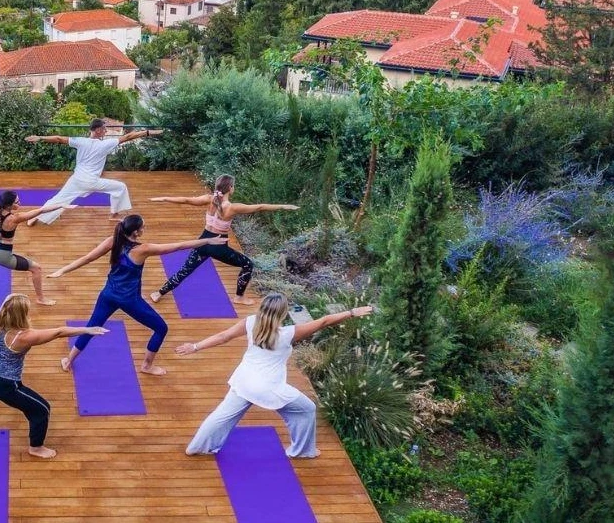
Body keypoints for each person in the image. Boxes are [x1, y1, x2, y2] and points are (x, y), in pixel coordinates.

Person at [176, 293, 374, 458]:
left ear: (261, 309)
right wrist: (351, 312)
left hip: (243, 380)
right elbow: (323, 321)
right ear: (282, 313)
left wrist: (194, 346)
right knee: (307, 409)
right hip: (269, 388)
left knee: (221, 416)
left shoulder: (250, 323)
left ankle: (196, 447)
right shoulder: (288, 333)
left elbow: (223, 337)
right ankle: (303, 451)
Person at [0, 294, 109, 459]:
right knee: (41, 410)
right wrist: (87, 330)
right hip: (5, 384)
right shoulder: (25, 336)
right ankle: (36, 447)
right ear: (23, 314)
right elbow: (59, 332)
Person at [48, 215, 227, 376]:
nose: (144, 229)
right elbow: (178, 246)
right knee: (161, 328)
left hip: (108, 294)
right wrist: (208, 241)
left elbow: (87, 258)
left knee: (91, 327)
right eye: (143, 227)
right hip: (129, 300)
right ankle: (147, 366)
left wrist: (62, 270)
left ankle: (69, 360)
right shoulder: (143, 249)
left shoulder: (113, 240)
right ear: (135, 232)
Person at [148, 174, 300, 306]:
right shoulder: (232, 207)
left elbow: (186, 200)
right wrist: (284, 206)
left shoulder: (209, 199)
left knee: (185, 270)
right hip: (219, 246)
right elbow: (259, 207)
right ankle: (239, 297)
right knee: (247, 264)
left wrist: (164, 198)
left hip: (202, 242)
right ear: (231, 188)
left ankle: (158, 293)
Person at [23, 118, 165, 226]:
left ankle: (34, 217)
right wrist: (148, 132)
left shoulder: (80, 141)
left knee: (59, 199)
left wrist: (40, 137)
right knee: (120, 187)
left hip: (77, 179)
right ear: (97, 130)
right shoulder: (106, 144)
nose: (106, 131)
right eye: (104, 129)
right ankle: (114, 215)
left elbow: (59, 138)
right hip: (91, 181)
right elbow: (128, 137)